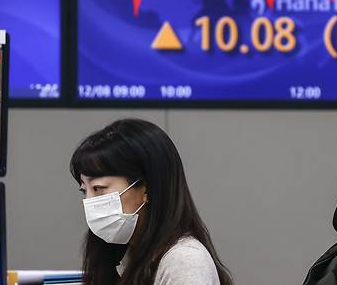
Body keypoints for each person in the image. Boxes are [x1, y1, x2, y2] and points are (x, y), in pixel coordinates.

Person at [70, 118, 232, 285]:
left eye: (98, 188)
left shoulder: (184, 261)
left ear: (147, 187)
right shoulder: (125, 256)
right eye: (84, 191)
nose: (89, 202)